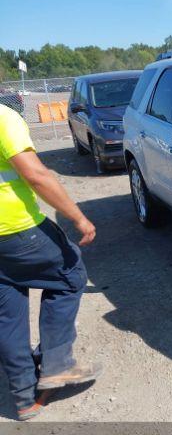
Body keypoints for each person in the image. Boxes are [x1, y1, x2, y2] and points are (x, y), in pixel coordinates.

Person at [0, 105, 102, 420]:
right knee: (70, 272)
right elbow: (36, 174)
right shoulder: (3, 117)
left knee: (8, 309)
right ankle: (57, 365)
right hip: (17, 228)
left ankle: (24, 397)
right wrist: (79, 218)